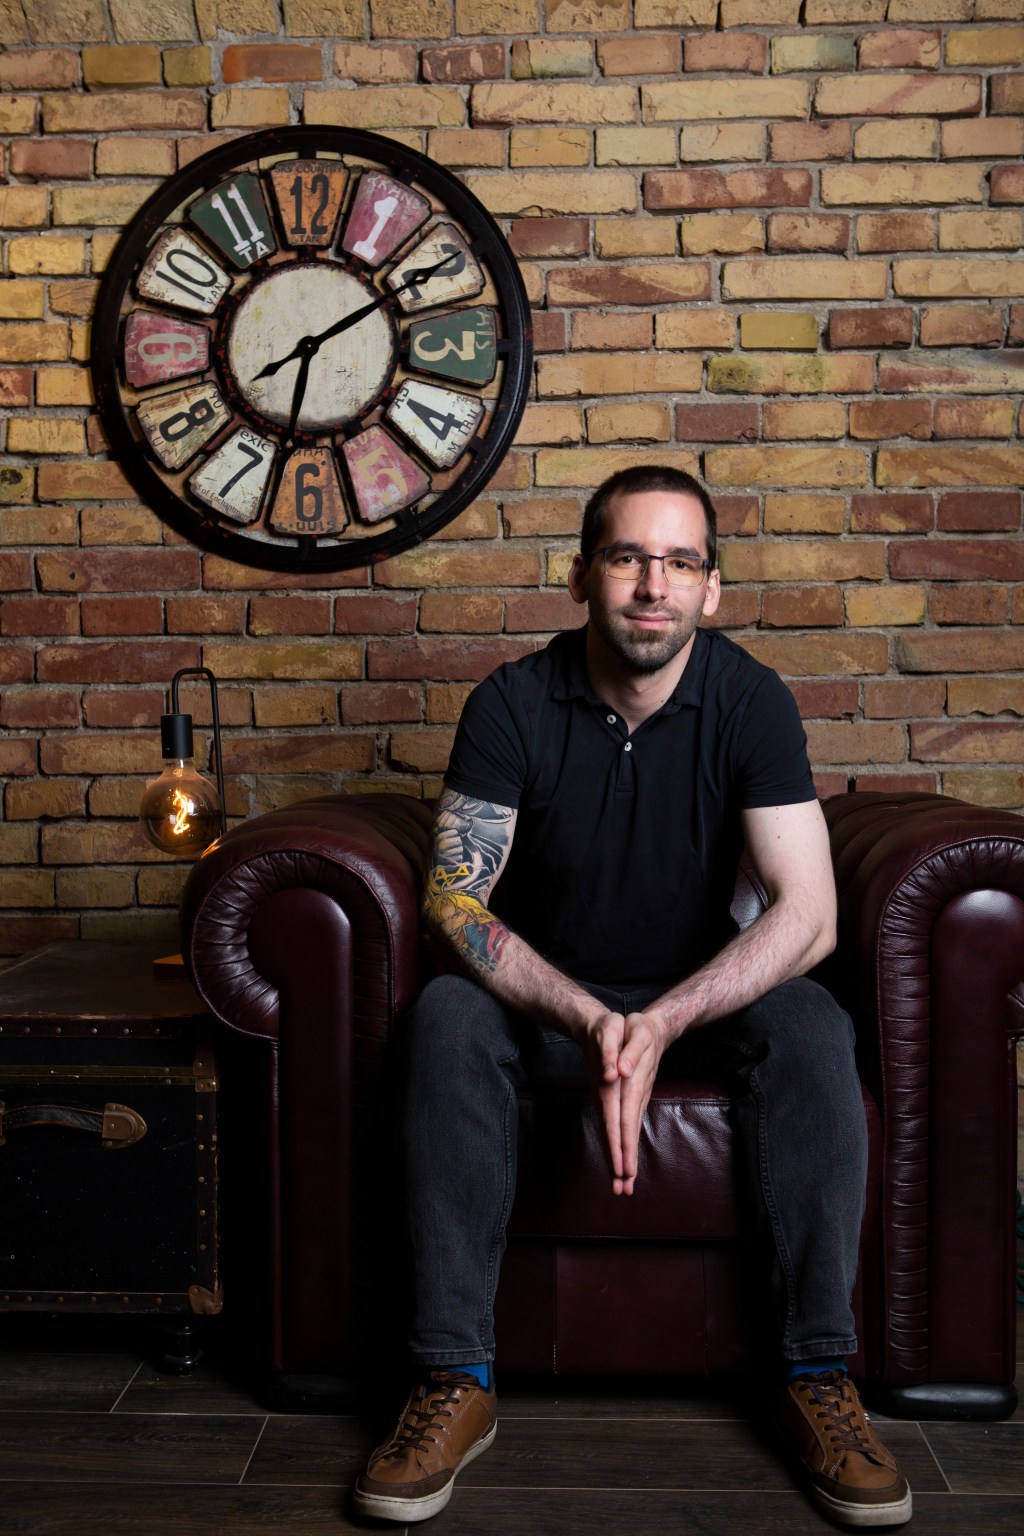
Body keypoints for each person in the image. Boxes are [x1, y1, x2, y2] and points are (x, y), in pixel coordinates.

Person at [353, 465, 912, 1529]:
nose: (654, 586)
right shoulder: (512, 701)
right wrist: (588, 1017)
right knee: (446, 1016)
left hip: (702, 1004)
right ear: (580, 577)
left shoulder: (749, 699)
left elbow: (810, 915)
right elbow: (453, 902)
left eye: (680, 562)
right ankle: (453, 1379)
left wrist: (662, 1021)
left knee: (812, 1020)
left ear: (712, 588)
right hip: (547, 1002)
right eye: (627, 558)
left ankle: (816, 1376)